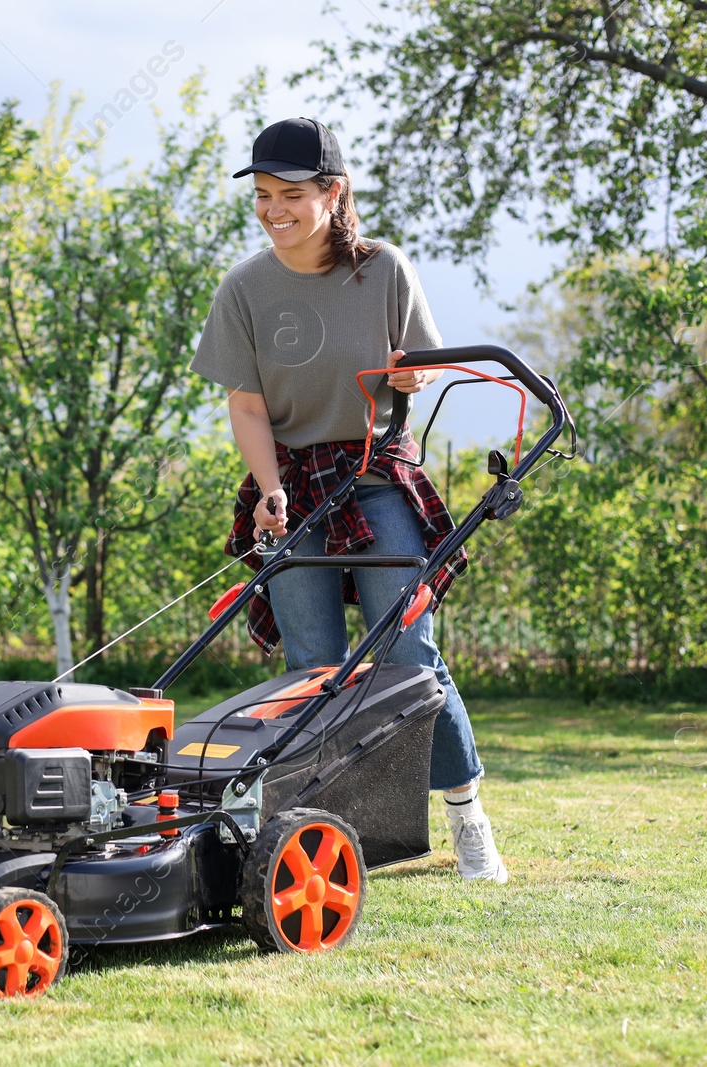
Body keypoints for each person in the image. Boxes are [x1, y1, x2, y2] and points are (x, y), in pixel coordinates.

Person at [189, 116, 507, 883]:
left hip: (375, 472)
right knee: (314, 667)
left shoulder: (385, 270)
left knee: (408, 653)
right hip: (294, 483)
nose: (273, 210)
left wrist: (410, 376)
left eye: (290, 194)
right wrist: (268, 490)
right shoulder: (245, 288)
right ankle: (323, 836)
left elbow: (420, 367)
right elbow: (249, 406)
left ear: (334, 192)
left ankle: (467, 816)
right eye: (263, 195)